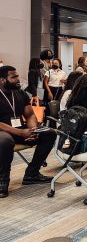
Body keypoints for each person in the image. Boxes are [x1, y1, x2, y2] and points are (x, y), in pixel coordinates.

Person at [0, 66, 56, 198]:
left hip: (20, 129)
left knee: (50, 133)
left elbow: (30, 114)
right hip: (3, 131)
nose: (17, 79)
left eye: (17, 76)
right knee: (5, 141)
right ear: (2, 80)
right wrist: (20, 133)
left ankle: (32, 173)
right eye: (13, 77)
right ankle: (2, 180)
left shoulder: (20, 93)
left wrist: (33, 130)